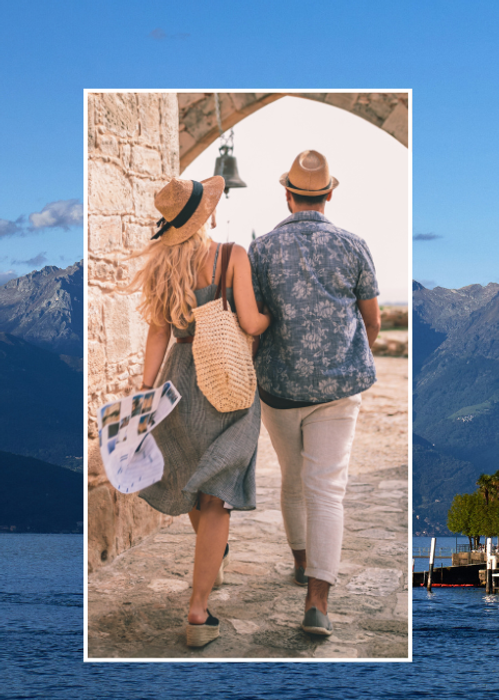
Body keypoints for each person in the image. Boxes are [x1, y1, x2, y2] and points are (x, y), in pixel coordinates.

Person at [131, 176, 270, 648]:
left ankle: (212, 567)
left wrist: (146, 393)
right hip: (227, 382)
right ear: (205, 216)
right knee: (216, 497)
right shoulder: (232, 256)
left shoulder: (162, 269)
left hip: (178, 385)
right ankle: (197, 609)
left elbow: (157, 336)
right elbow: (250, 321)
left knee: (195, 482)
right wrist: (270, 319)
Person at [249, 150, 381, 637]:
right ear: (329, 193)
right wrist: (346, 356)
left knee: (291, 477)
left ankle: (301, 561)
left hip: (279, 388)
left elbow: (255, 322)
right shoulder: (354, 245)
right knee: (327, 491)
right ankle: (317, 603)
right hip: (339, 388)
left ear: (287, 195)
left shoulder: (260, 250)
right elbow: (372, 320)